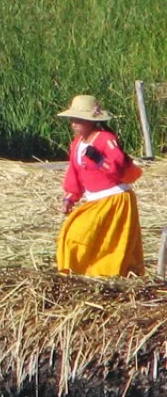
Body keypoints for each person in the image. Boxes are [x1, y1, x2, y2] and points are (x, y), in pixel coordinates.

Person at [55, 95, 144, 278]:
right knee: (71, 234)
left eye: (78, 120)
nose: (73, 124)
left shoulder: (105, 139)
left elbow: (118, 165)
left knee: (100, 242)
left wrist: (99, 160)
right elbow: (74, 173)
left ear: (90, 121)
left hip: (115, 200)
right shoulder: (77, 144)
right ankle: (81, 275)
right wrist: (70, 197)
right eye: (72, 120)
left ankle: (108, 276)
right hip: (96, 201)